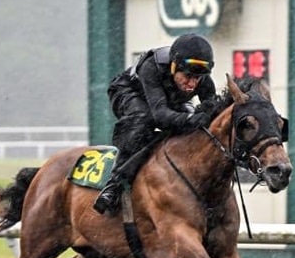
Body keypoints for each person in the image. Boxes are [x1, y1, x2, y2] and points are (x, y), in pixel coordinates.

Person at [92, 33, 217, 214]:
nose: (192, 83)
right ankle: (113, 186)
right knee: (145, 119)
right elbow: (160, 115)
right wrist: (190, 119)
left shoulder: (203, 80)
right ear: (174, 66)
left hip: (167, 99)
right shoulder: (152, 66)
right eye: (187, 76)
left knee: (193, 124)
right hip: (128, 91)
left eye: (197, 78)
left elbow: (212, 113)